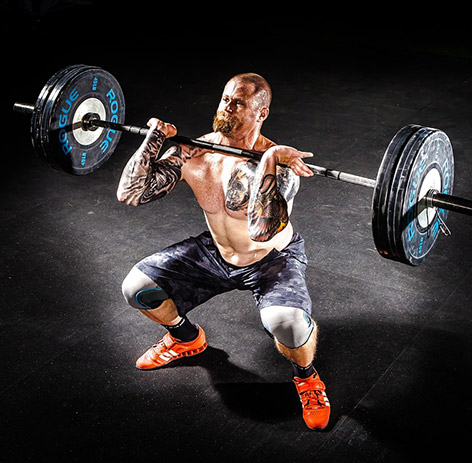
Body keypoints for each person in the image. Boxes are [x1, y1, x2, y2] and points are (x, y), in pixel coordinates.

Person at [116, 72, 330, 430]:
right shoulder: (194, 152)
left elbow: (261, 232)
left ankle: (306, 377)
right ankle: (186, 339)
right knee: (137, 289)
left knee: (287, 325)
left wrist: (270, 160)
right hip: (215, 252)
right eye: (225, 98)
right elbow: (131, 193)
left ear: (261, 113)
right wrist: (154, 139)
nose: (227, 106)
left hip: (270, 260)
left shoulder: (280, 164)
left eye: (239, 102)